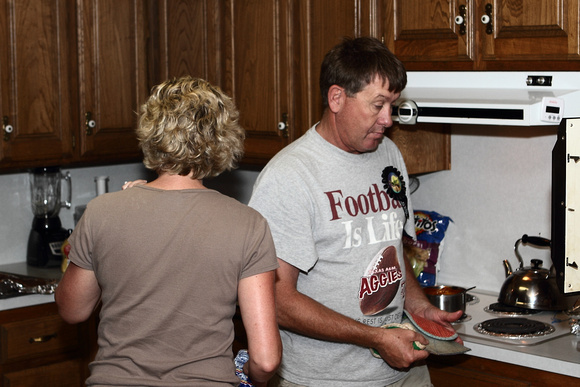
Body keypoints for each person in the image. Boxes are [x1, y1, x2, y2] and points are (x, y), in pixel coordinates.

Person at [247, 36, 463, 386]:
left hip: (404, 372)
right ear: (336, 98)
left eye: (392, 105)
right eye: (377, 105)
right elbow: (277, 300)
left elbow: (388, 246)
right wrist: (374, 337)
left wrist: (419, 306)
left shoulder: (388, 155)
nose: (388, 119)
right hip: (327, 378)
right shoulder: (289, 176)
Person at [55, 76, 282, 386]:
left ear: (151, 134)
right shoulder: (249, 225)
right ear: (222, 139)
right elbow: (266, 360)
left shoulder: (101, 212)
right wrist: (251, 379)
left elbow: (72, 310)